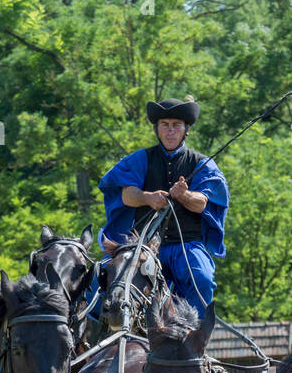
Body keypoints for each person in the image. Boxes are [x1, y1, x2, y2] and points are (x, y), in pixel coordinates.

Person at [89, 97, 229, 319]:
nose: (170, 131)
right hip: (143, 247)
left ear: (186, 129)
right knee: (98, 280)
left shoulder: (202, 163)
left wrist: (184, 195)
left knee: (202, 278)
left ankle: (195, 340)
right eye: (165, 125)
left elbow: (202, 202)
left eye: (176, 125)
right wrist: (148, 197)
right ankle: (95, 340)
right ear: (156, 128)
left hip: (187, 246)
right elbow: (126, 195)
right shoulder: (140, 159)